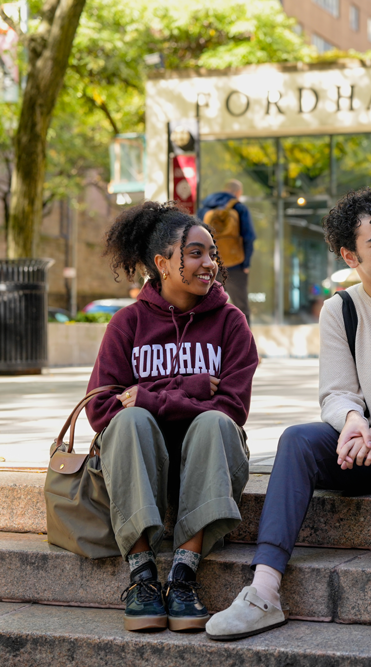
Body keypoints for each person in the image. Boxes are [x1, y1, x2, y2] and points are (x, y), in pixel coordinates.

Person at [205, 187, 371, 654]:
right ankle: (265, 590)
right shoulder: (340, 308)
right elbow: (335, 392)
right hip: (365, 448)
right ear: (350, 255)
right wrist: (351, 421)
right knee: (297, 440)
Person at [85, 201, 259, 633]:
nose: (210, 263)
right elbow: (101, 408)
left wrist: (151, 395)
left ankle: (183, 574)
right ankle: (143, 575)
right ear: (163, 263)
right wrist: (190, 389)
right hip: (142, 467)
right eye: (196, 253)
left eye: (212, 253)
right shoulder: (126, 324)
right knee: (127, 422)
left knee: (213, 423)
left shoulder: (231, 323)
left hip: (208, 462)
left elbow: (232, 408)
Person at [197, 179, 256, 324]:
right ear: (238, 193)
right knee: (241, 307)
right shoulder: (239, 208)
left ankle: (211, 344)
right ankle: (244, 344)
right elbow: (249, 237)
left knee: (208, 306)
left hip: (210, 265)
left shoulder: (204, 209)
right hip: (236, 264)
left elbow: (196, 238)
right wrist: (246, 264)